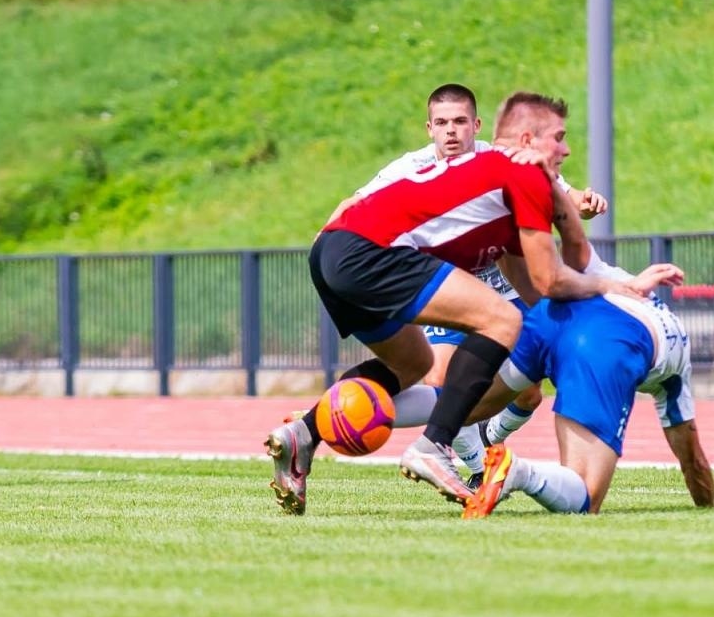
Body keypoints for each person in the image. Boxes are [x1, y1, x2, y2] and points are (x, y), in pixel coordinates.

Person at [267, 126, 676, 515]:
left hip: (333, 251)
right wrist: (614, 289)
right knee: (499, 323)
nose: (565, 152)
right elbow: (549, 278)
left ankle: (303, 432)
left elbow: (537, 289)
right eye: (559, 141)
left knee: (412, 365)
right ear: (527, 143)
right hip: (369, 250)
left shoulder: (493, 183)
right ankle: (436, 446)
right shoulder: (517, 175)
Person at [330, 86, 612, 488]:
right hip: (446, 285)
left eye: (460, 122)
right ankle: (473, 463)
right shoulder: (411, 167)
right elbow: (357, 202)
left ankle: (485, 439)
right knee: (441, 376)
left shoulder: (500, 158)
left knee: (529, 391)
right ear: (429, 129)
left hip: (505, 282)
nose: (451, 132)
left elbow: (561, 191)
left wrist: (582, 200)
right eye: (442, 123)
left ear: (476, 126)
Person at [463, 287, 714, 518]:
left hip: (550, 315)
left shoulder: (624, 281)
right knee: (583, 495)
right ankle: (519, 472)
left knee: (461, 408)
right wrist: (707, 511)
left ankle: (430, 445)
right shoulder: (676, 371)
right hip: (604, 340)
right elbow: (694, 462)